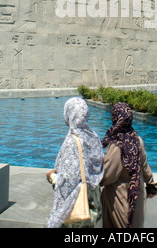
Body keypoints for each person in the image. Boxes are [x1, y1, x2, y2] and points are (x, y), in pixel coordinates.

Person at [46, 97, 104, 228]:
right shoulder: (93, 137)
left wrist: (52, 177)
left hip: (79, 206)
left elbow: (68, 180)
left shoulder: (72, 141)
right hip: (94, 202)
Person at [101, 101, 157, 228]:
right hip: (137, 200)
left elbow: (107, 175)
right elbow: (144, 167)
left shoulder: (118, 144)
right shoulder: (137, 139)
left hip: (121, 202)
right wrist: (151, 183)